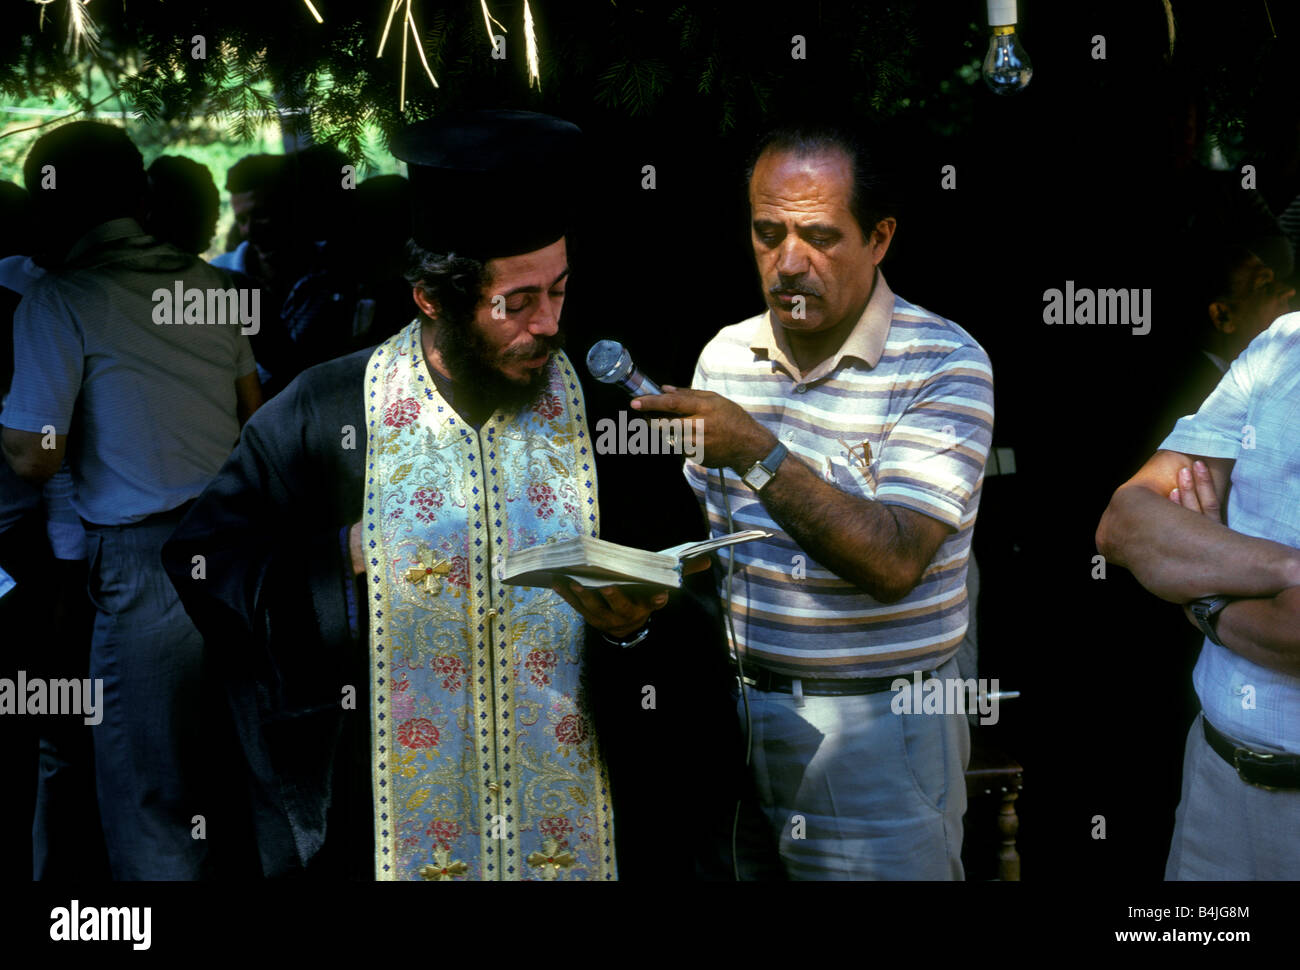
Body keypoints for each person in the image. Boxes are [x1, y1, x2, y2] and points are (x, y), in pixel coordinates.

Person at [162, 110, 665, 881]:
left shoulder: (602, 415)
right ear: (433, 298)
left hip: (579, 813)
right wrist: (341, 559)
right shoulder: (325, 407)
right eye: (518, 303)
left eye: (560, 291)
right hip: (387, 825)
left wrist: (635, 631)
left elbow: (676, 583)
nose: (550, 324)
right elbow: (205, 560)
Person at [637, 121, 994, 879]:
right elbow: (719, 547)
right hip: (744, 718)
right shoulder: (726, 356)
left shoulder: (944, 363)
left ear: (880, 238)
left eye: (820, 236)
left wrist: (758, 452)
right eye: (769, 234)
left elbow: (895, 561)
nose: (788, 263)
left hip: (879, 730)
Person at [0, 121, 263, 880]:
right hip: (238, 546)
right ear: (142, 197)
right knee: (226, 766)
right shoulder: (211, 286)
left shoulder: (61, 299)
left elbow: (33, 454)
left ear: (50, 208)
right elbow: (255, 413)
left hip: (145, 567)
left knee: (151, 795)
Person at [1096, 312, 1300, 880]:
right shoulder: (1287, 341)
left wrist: (1205, 583)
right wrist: (1285, 566)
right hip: (1215, 777)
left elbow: (1296, 634)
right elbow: (1124, 522)